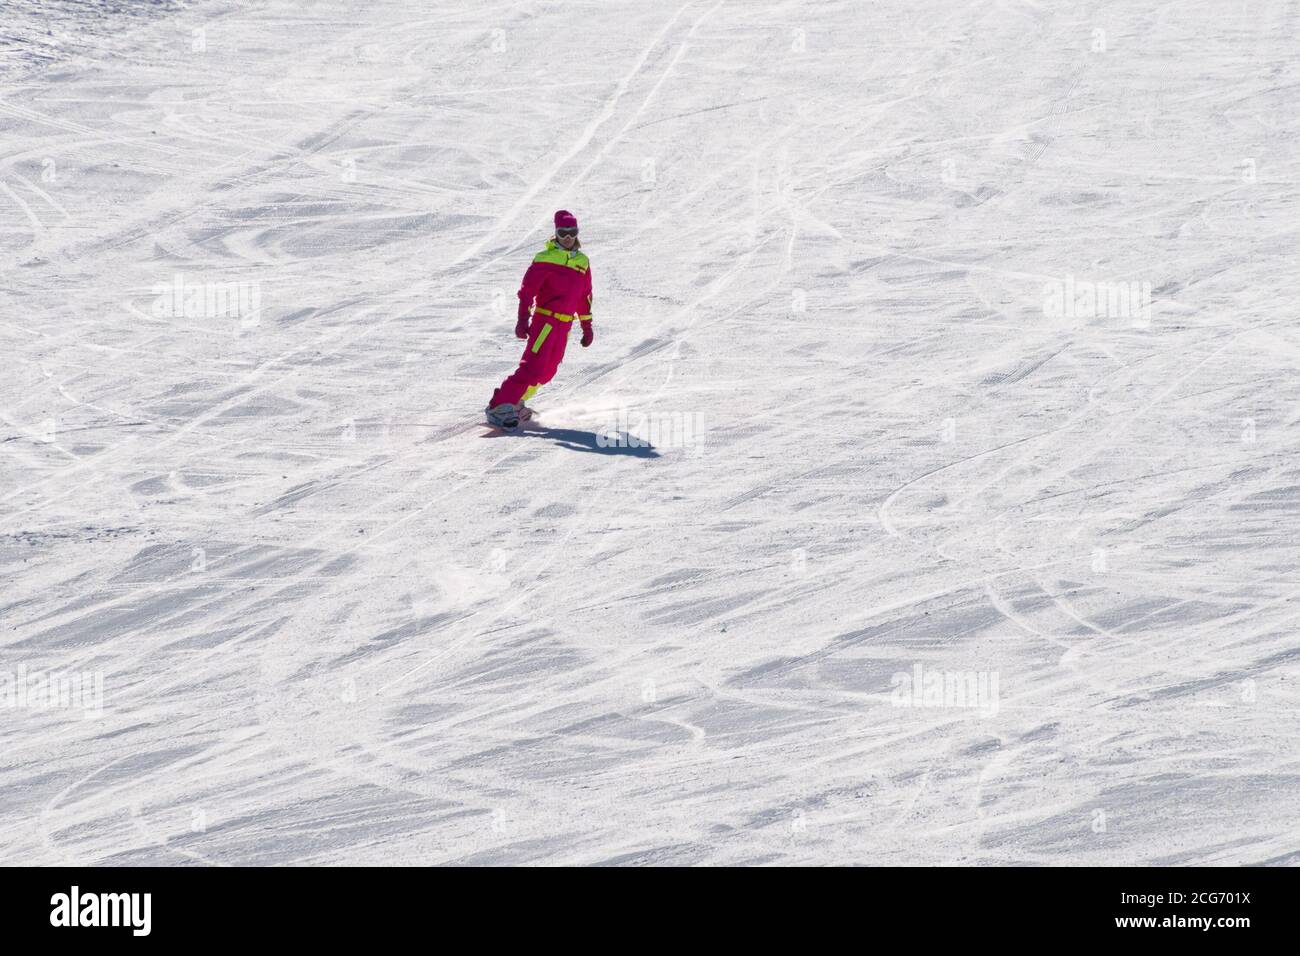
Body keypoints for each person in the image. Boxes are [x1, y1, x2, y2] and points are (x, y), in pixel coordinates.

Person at [486, 210, 594, 429]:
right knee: (533, 367)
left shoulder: (582, 262)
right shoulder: (545, 258)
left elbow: (585, 295)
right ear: (555, 233)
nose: (567, 237)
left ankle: (516, 401)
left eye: (572, 232)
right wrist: (523, 319)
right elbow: (527, 291)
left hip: (564, 324)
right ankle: (499, 405)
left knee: (548, 370)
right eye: (563, 233)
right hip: (545, 321)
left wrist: (586, 325)